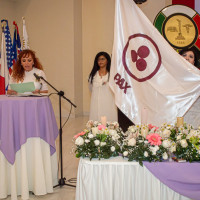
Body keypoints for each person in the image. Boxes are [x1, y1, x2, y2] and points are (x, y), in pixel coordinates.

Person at [88, 51, 117, 122]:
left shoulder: (112, 75)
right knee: (96, 123)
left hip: (109, 103)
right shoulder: (93, 75)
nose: (100, 61)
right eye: (98, 59)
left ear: (107, 60)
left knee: (109, 121)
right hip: (96, 103)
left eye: (102, 59)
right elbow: (90, 88)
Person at [179, 47, 200, 128]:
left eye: (191, 57)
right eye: (184, 55)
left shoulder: (198, 77)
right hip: (175, 115)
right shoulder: (171, 76)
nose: (187, 58)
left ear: (194, 62)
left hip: (194, 117)